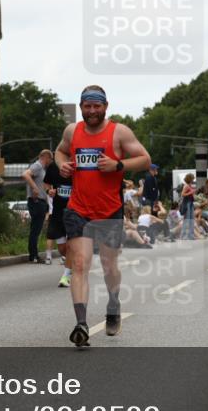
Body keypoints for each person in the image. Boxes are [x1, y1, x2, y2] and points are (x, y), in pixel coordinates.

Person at [55, 85, 151, 347]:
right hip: (78, 209)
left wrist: (118, 165)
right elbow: (61, 150)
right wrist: (61, 164)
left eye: (97, 106)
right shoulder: (72, 131)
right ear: (82, 106)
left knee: (109, 266)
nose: (92, 111)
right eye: (87, 106)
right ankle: (81, 324)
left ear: (105, 106)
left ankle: (113, 303)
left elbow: (144, 159)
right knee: (79, 264)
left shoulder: (118, 132)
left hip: (109, 211)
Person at [44, 154, 73, 287]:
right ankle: (73, 263)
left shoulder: (78, 165)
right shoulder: (53, 167)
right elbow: (46, 183)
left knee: (73, 245)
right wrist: (49, 190)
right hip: (58, 211)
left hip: (76, 211)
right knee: (62, 248)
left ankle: (66, 275)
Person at [22, 149, 54, 263]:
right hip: (36, 201)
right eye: (50, 159)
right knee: (36, 229)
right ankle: (34, 255)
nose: (51, 161)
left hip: (39, 201)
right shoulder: (38, 166)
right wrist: (35, 188)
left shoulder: (41, 168)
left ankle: (34, 254)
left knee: (35, 228)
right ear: (45, 157)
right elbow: (26, 174)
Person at [179, 173, 197, 240]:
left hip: (191, 203)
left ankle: (191, 235)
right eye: (192, 178)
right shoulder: (186, 186)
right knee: (187, 219)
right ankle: (183, 235)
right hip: (187, 203)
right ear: (190, 179)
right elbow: (182, 194)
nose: (193, 180)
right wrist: (191, 192)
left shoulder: (189, 185)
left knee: (191, 219)